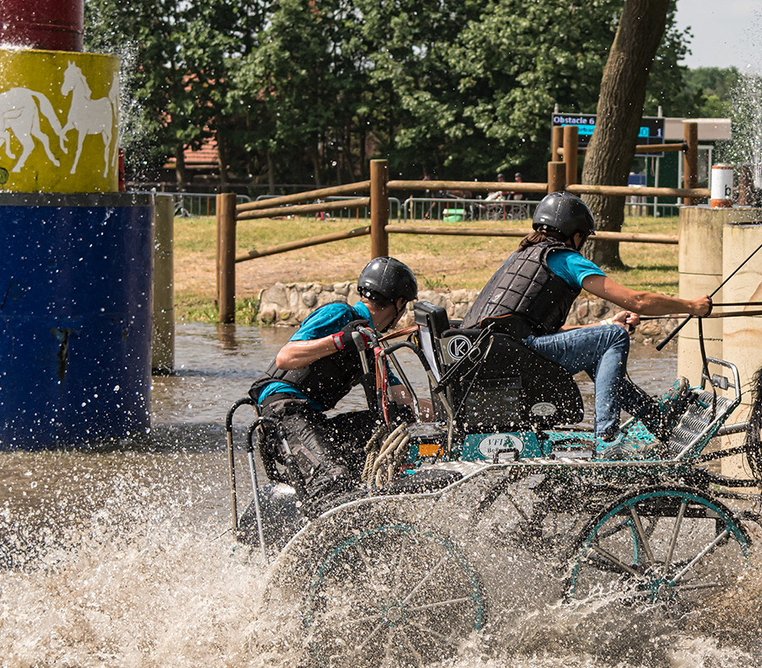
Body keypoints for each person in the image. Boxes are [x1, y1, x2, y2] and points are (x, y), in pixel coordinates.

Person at [462, 192, 711, 454]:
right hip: (521, 358)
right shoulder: (565, 259)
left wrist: (605, 323)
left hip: (495, 358)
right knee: (615, 337)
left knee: (605, 338)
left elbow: (541, 332)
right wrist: (691, 307)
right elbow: (637, 301)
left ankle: (655, 418)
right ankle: (607, 438)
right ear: (576, 234)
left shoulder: (519, 258)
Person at [249, 256, 418, 513]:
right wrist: (341, 341)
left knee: (400, 423)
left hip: (312, 419)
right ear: (398, 303)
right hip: (282, 413)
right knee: (333, 479)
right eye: (404, 307)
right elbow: (286, 356)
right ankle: (323, 545)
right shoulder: (339, 314)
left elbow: (402, 397)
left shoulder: (371, 343)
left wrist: (447, 414)